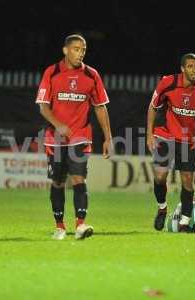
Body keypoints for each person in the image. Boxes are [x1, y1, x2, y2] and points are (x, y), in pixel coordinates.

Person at [35, 34, 112, 240]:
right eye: (76, 49)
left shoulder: (91, 75)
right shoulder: (52, 73)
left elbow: (100, 107)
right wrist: (58, 124)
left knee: (79, 178)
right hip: (55, 139)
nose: (80, 53)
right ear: (65, 50)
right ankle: (59, 226)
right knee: (58, 181)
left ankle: (80, 224)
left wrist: (108, 137)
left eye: (83, 50)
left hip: (80, 136)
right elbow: (43, 107)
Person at [146, 53, 195, 232]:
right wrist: (149, 134)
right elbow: (153, 107)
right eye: (190, 66)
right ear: (182, 69)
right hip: (165, 136)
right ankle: (162, 208)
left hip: (187, 141)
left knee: (188, 181)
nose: (194, 70)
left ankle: (184, 222)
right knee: (160, 176)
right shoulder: (168, 83)